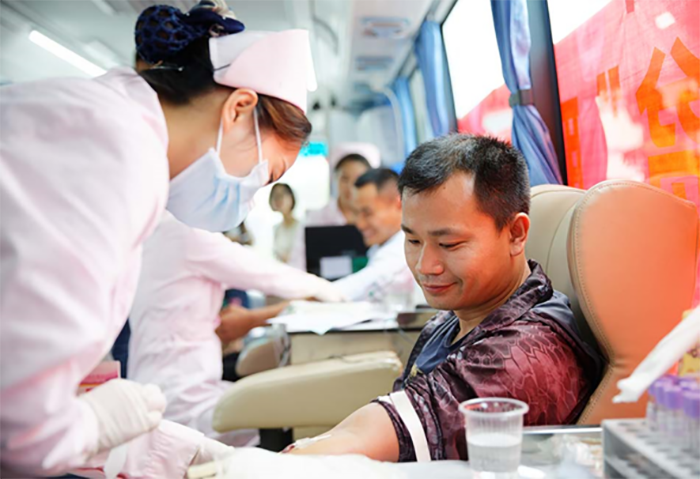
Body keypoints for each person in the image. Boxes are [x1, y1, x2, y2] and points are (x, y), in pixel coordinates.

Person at [0, 0, 316, 476]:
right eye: (263, 176)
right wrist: (96, 425)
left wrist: (161, 448)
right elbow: (22, 429)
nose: (250, 201)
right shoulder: (118, 153)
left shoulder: (112, 119)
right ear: (238, 109)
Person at [288, 135, 602, 461]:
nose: (425, 266)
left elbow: (379, 433)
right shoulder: (457, 318)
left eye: (449, 244)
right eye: (412, 241)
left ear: (515, 234)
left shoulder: (523, 354)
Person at [128, 212, 343, 446]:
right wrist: (335, 293)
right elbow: (266, 273)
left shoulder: (151, 234)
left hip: (158, 389)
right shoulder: (186, 234)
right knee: (296, 425)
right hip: (184, 399)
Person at [288, 146, 377, 270]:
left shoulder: (377, 218)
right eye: (345, 179)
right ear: (335, 178)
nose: (351, 186)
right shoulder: (315, 219)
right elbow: (297, 263)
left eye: (358, 179)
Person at [332, 168, 414, 302]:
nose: (360, 224)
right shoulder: (380, 247)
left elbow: (355, 289)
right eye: (356, 213)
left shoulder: (403, 252)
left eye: (367, 213)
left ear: (398, 204)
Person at [269, 183, 300, 264]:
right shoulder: (276, 229)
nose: (278, 199)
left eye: (281, 194)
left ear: (291, 197)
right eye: (275, 195)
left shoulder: (301, 227)